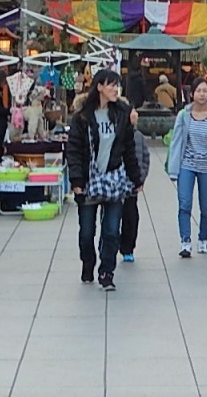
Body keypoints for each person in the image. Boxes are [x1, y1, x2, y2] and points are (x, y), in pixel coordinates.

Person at [65, 70, 143, 291]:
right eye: (111, 85)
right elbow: (74, 150)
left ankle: (107, 272)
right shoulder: (82, 117)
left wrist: (136, 178)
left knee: (111, 231)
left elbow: (129, 148)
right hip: (89, 181)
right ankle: (88, 263)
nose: (115, 90)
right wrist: (76, 179)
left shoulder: (121, 114)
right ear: (99, 87)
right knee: (87, 232)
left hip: (114, 179)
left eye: (117, 86)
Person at [166, 76, 207, 258]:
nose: (202, 94)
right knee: (184, 203)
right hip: (187, 164)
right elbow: (177, 143)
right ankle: (185, 241)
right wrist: (173, 168)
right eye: (198, 91)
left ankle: (203, 237)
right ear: (192, 94)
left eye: (205, 91)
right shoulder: (184, 115)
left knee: (206, 207)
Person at [119, 106, 152, 263]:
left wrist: (141, 177)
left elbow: (145, 157)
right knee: (114, 216)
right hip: (116, 183)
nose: (135, 114)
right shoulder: (115, 134)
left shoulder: (138, 136)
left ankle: (128, 247)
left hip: (132, 183)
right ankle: (113, 244)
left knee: (131, 216)